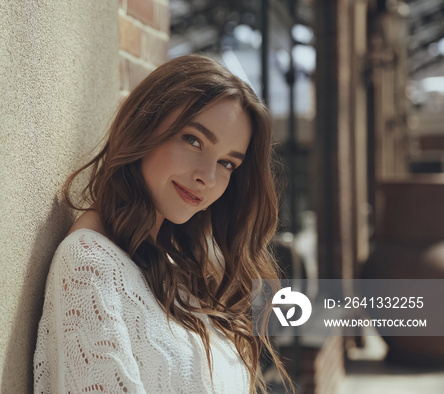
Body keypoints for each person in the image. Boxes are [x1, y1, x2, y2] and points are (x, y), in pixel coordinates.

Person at [34, 54, 294, 394]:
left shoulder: (182, 264)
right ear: (145, 126)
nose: (207, 176)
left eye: (228, 163)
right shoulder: (90, 264)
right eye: (193, 140)